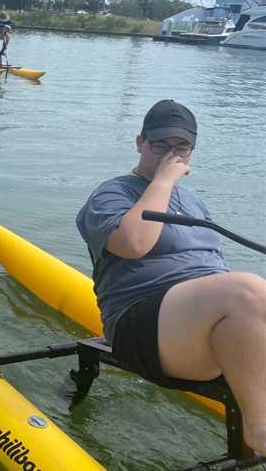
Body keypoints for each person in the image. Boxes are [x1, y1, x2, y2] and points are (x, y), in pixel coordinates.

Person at [76, 99, 266, 453]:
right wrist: (163, 180)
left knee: (248, 293)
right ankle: (259, 431)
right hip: (142, 326)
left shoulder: (192, 200)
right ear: (139, 143)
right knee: (247, 290)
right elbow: (134, 243)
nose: (170, 155)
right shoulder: (111, 194)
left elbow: (213, 264)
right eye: (160, 146)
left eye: (181, 148)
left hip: (204, 329)